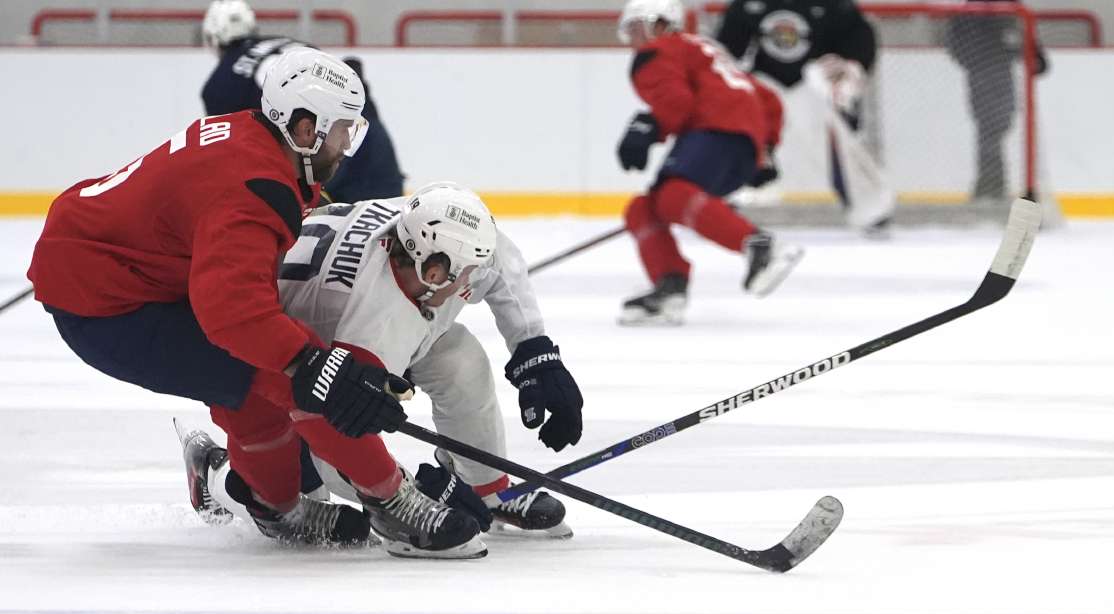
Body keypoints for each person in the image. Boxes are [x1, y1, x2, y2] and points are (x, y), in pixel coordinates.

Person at [27, 47, 482, 558]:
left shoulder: (254, 138)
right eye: (342, 131)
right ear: (306, 130)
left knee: (253, 384)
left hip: (118, 273)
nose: (346, 145)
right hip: (108, 306)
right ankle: (392, 501)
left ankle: (271, 505)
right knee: (282, 378)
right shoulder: (254, 188)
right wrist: (317, 364)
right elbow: (234, 315)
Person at [180, 183, 583, 542]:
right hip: (277, 361)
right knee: (285, 499)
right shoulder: (368, 317)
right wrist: (418, 494)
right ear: (433, 271)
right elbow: (341, 440)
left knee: (461, 362)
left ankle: (487, 488)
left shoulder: (425, 229)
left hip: (348, 337)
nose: (470, 284)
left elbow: (500, 262)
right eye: (465, 276)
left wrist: (535, 354)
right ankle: (213, 471)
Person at [615, 0, 803, 327]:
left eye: (636, 27)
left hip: (716, 129)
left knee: (671, 196)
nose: (632, 38)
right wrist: (766, 149)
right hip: (742, 138)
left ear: (660, 24)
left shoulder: (660, 50)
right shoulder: (708, 50)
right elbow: (769, 100)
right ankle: (669, 286)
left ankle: (762, 247)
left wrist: (649, 128)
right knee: (645, 208)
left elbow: (676, 101)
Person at [200, 0, 405, 203]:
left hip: (320, 151)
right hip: (367, 135)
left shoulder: (219, 84)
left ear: (213, 38)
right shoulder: (293, 44)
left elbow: (233, 152)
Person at [714, 0, 892, 231]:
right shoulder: (748, 3)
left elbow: (859, 35)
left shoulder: (833, 5)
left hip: (810, 80)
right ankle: (722, 195)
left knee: (834, 142)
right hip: (765, 81)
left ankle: (872, 209)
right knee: (737, 130)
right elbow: (728, 46)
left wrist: (850, 66)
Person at [945, 0, 1048, 200]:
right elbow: (956, 46)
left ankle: (990, 185)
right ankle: (990, 186)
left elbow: (1026, 45)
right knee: (990, 132)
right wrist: (979, 62)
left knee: (996, 130)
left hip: (1001, 78)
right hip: (982, 79)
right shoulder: (970, 12)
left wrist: (1034, 57)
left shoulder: (1009, 10)